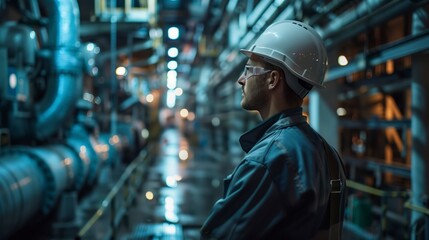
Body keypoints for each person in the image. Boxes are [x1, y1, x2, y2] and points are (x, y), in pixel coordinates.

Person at [200, 20, 347, 240]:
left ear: (272, 79)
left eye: (249, 70)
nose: (241, 79)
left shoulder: (267, 161)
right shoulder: (328, 155)